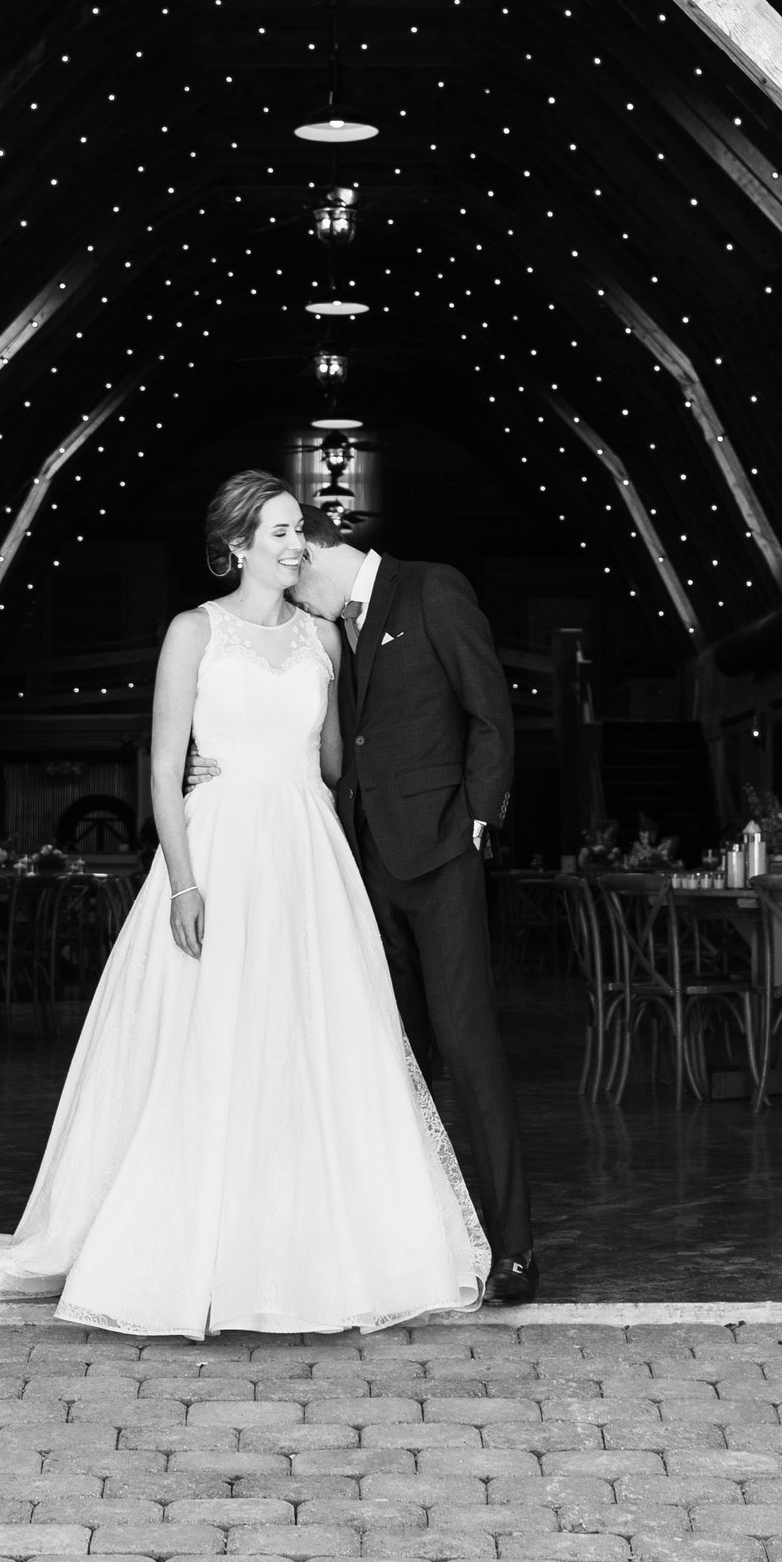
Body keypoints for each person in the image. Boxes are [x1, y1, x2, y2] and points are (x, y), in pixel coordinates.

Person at [0, 473, 486, 1335]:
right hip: (219, 851)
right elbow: (163, 767)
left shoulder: (325, 640)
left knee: (314, 1044)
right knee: (212, 1039)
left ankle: (309, 1246)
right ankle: (191, 1245)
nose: (295, 545)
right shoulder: (193, 632)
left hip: (308, 856)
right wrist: (186, 879)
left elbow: (341, 763)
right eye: (277, 532)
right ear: (237, 544)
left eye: (295, 532)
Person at [291, 522, 536, 1302]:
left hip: (440, 859)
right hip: (370, 867)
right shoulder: (339, 630)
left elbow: (490, 709)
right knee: (398, 1064)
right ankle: (426, 1247)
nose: (298, 596)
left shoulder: (433, 587)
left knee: (470, 1051)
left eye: (299, 580)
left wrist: (477, 819)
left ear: (325, 552)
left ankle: (516, 1252)